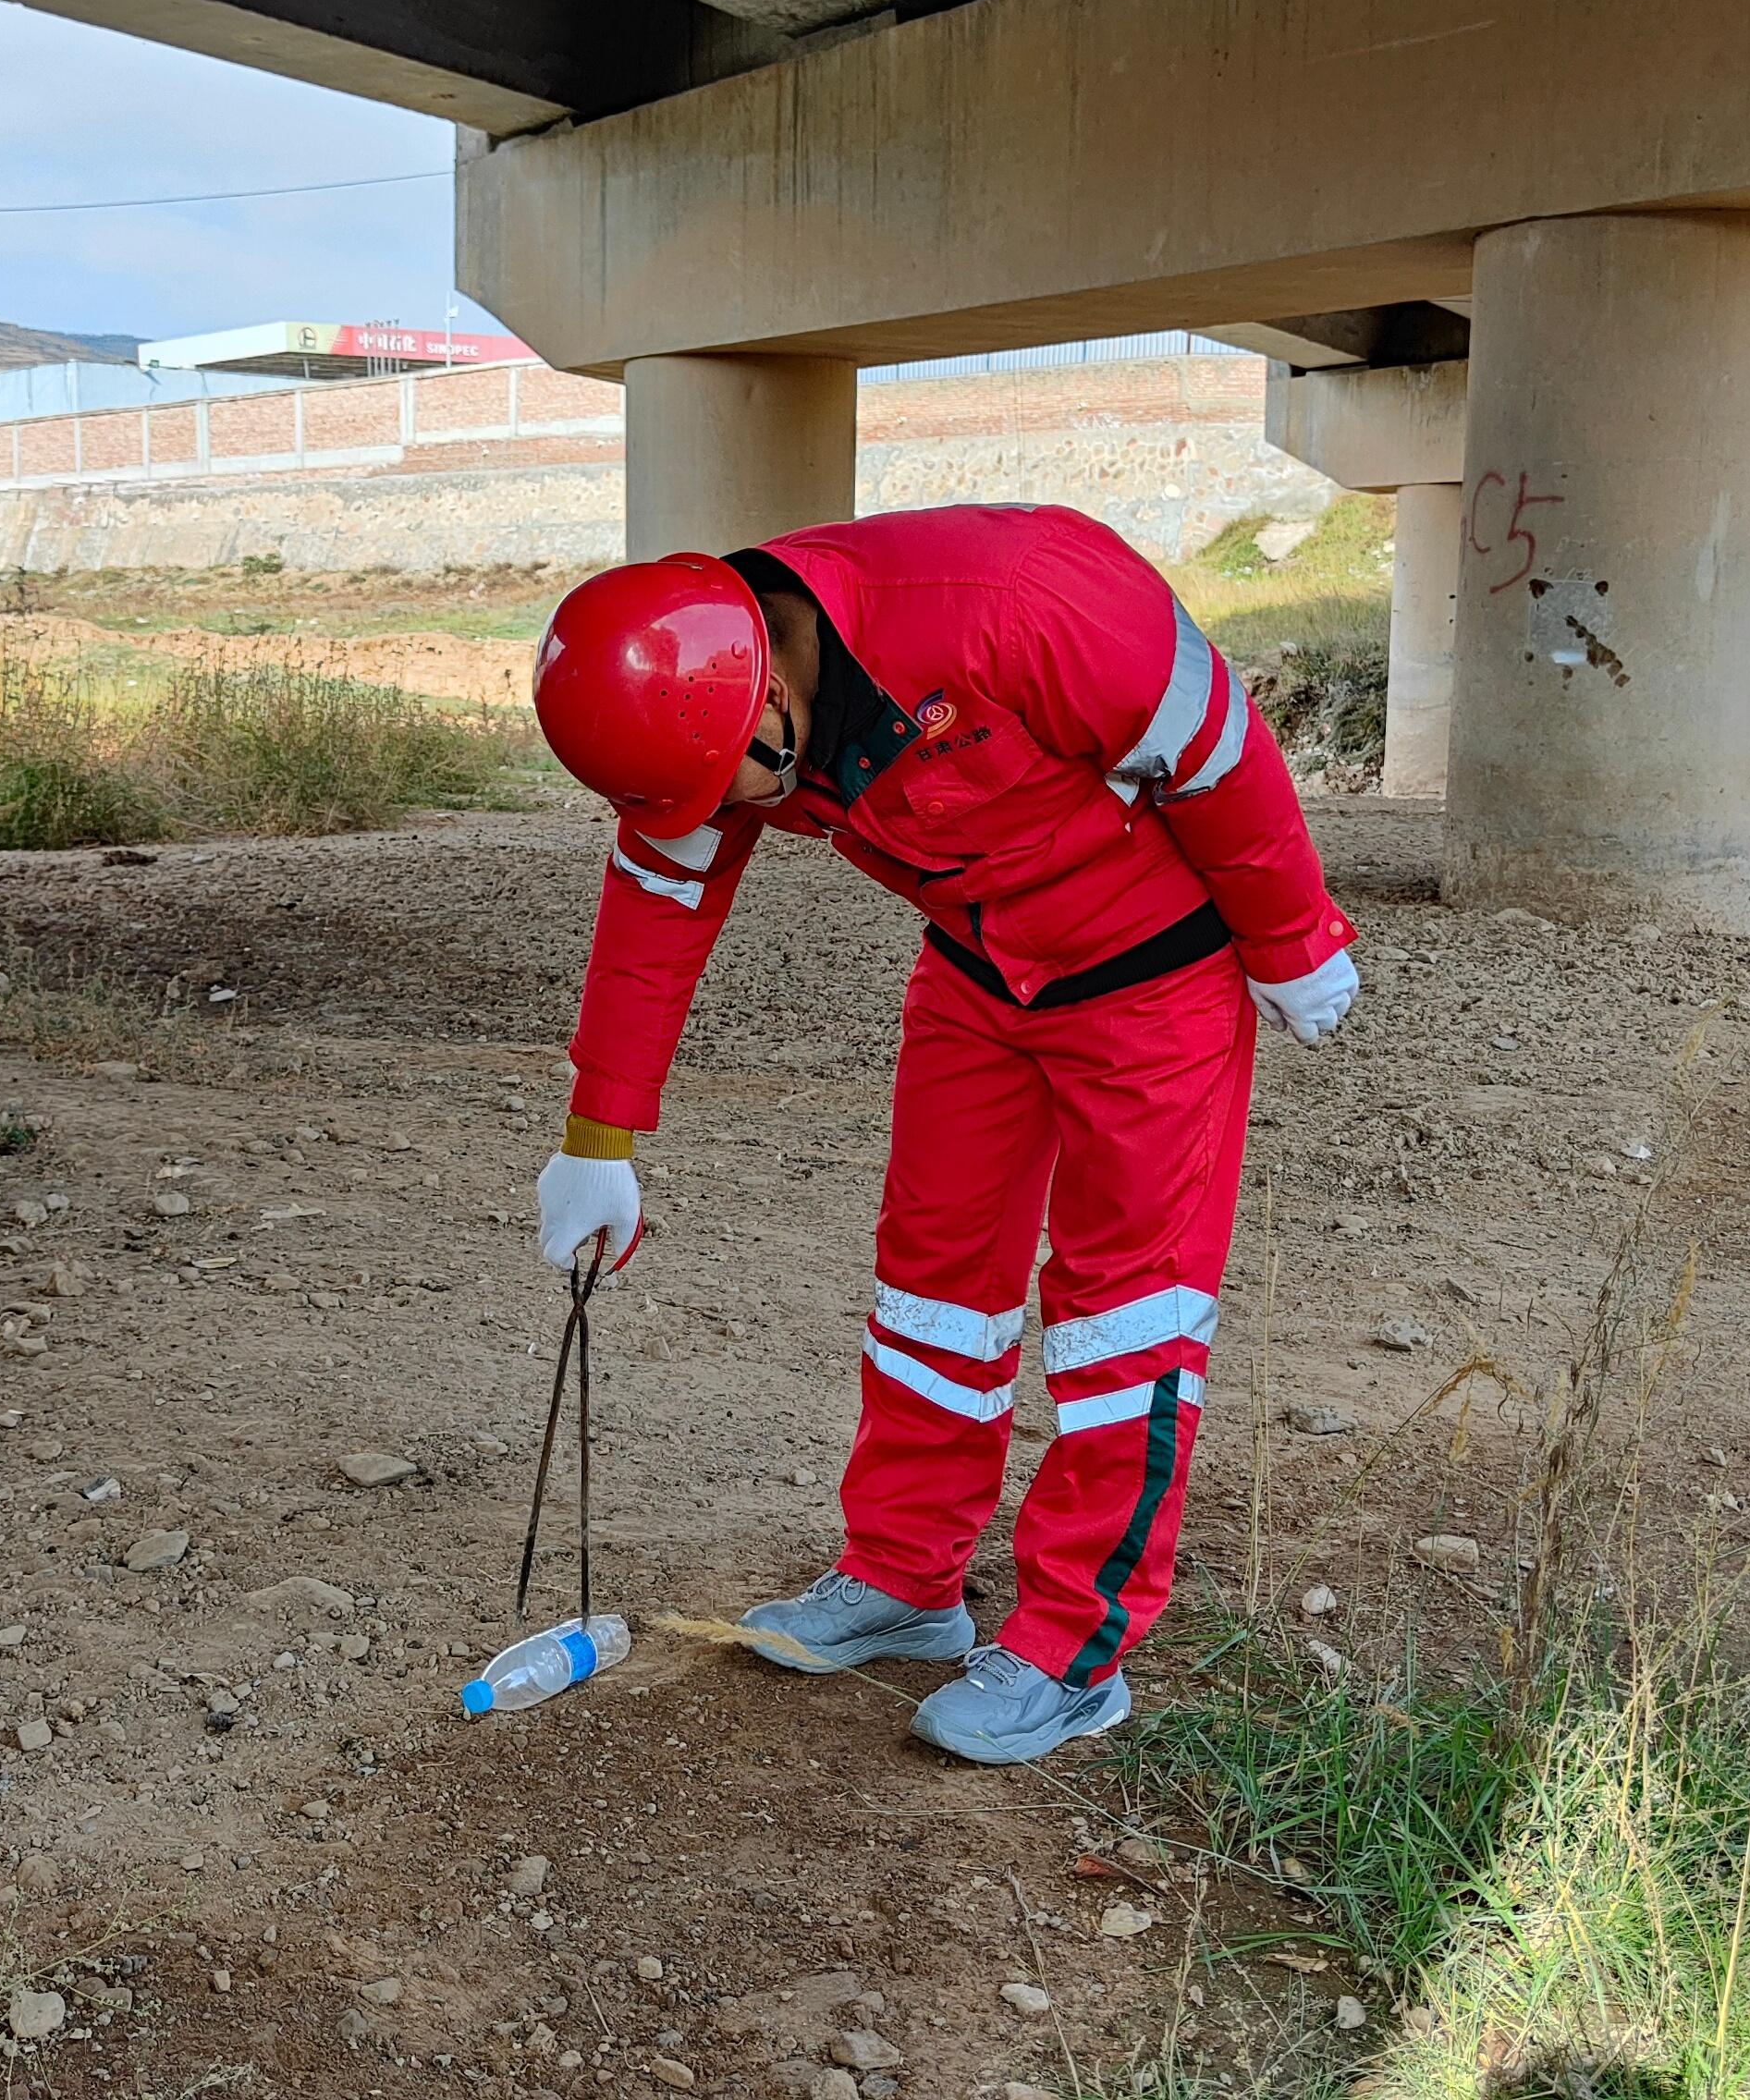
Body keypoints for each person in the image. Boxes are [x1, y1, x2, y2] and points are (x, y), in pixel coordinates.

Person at [527, 503, 1360, 1764]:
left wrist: (1295, 938)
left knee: (1124, 1313)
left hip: (1157, 980)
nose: (726, 817)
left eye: (733, 788)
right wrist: (600, 1136)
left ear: (768, 696)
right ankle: (907, 1580)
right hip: (979, 975)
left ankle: (1076, 1650)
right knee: (932, 1285)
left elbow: (1219, 751)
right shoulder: (704, 709)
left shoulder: (1030, 601)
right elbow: (663, 891)